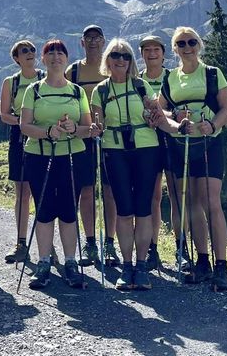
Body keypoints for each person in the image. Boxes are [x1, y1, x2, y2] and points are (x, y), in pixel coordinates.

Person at [157, 27, 227, 291]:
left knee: (210, 200)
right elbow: (162, 110)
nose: (187, 47)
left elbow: (226, 107)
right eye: (181, 43)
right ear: (175, 49)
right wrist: (175, 124)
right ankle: (203, 261)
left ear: (199, 45)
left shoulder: (212, 73)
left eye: (191, 42)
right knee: (190, 203)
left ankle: (221, 264)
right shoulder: (170, 78)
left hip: (210, 142)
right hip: (182, 144)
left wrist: (212, 126)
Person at [90, 39, 164, 291]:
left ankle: (141, 266)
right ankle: (128, 265)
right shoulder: (99, 91)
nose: (120, 60)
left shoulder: (141, 86)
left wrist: (155, 115)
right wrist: (95, 130)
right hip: (114, 150)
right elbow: (97, 123)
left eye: (125, 56)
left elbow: (156, 114)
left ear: (131, 61)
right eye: (115, 55)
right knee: (124, 209)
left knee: (143, 208)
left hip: (146, 148)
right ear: (107, 60)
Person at [20, 39, 93, 290]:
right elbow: (24, 126)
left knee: (69, 209)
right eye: (50, 53)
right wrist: (48, 131)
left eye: (60, 53)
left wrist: (75, 128)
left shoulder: (77, 91)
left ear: (66, 58)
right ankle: (43, 262)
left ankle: (70, 262)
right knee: (44, 209)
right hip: (39, 155)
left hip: (73, 155)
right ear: (43, 59)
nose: (55, 57)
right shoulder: (34, 90)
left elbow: (87, 128)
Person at [66, 24, 119, 267]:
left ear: (103, 40)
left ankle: (109, 242)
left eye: (98, 37)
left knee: (110, 190)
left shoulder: (113, 67)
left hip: (111, 137)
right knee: (86, 190)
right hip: (83, 137)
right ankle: (90, 242)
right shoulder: (74, 71)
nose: (94, 42)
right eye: (89, 38)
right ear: (82, 42)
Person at [0, 40, 42, 264]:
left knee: (42, 191)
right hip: (19, 137)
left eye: (32, 50)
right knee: (23, 192)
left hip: (43, 136)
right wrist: (23, 122)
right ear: (16, 58)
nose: (29, 54)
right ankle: (21, 242)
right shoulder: (11, 82)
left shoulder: (44, 78)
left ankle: (47, 246)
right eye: (24, 51)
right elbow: (4, 113)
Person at [137, 34, 175, 273]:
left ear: (163, 53)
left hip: (171, 139)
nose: (151, 54)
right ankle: (152, 247)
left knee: (172, 195)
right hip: (147, 142)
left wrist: (162, 116)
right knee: (152, 196)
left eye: (156, 50)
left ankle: (180, 248)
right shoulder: (137, 79)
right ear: (141, 54)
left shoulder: (172, 77)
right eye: (146, 50)